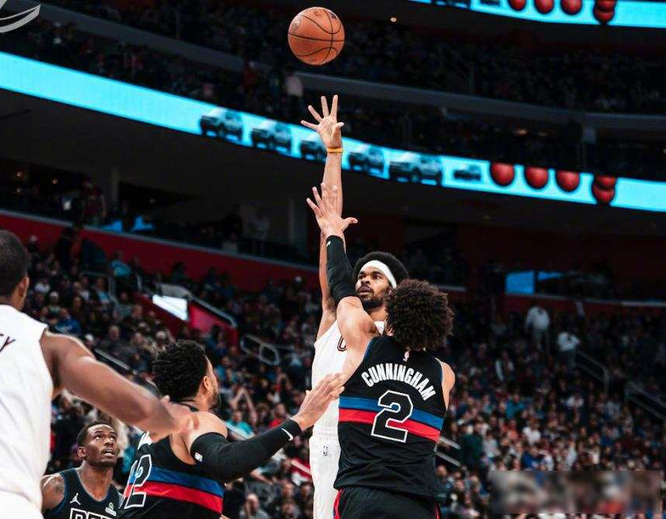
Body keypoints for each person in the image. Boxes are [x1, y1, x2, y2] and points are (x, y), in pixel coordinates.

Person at [0, 230, 195, 519]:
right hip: (3, 503)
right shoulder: (50, 347)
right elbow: (141, 409)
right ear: (24, 285)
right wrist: (170, 419)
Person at [307, 184, 455, 518]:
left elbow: (339, 285)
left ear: (395, 303)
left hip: (363, 484)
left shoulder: (364, 340)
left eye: (376, 276)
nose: (364, 281)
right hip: (416, 497)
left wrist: (333, 234)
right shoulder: (444, 374)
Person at [301, 95, 410, 519]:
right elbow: (330, 221)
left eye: (376, 276)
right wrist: (333, 153)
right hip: (326, 439)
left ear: (394, 293)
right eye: (361, 274)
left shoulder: (395, 338)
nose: (364, 279)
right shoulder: (335, 315)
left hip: (369, 445)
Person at [119, 340, 343, 518]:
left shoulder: (155, 430)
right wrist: (301, 419)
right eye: (213, 374)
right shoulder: (196, 419)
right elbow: (225, 463)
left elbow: (172, 500)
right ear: (206, 383)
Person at [41, 421, 122, 518]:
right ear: (82, 452)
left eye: (113, 437)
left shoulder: (120, 503)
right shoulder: (52, 486)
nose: (109, 441)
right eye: (98, 437)